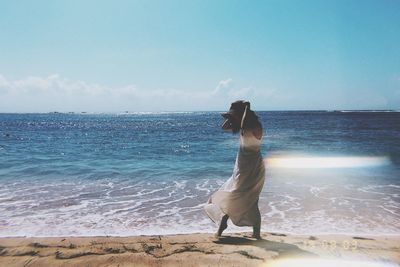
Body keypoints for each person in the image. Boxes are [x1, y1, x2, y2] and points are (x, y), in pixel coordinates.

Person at [204, 100, 265, 239]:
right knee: (233, 193)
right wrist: (230, 116)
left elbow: (244, 123)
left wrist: (246, 109)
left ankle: (254, 233)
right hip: (242, 165)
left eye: (236, 115)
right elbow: (224, 127)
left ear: (243, 114)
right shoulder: (243, 125)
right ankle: (223, 221)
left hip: (253, 166)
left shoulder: (254, 125)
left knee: (251, 199)